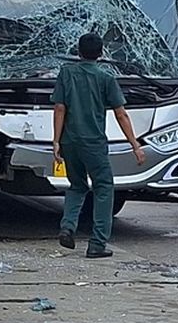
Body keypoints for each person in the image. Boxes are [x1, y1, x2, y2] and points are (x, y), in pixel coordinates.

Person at [53, 33, 146, 259]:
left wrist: (56, 141)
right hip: (93, 142)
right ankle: (97, 243)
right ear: (102, 53)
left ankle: (67, 226)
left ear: (78, 51)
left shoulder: (66, 73)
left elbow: (59, 108)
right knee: (103, 187)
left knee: (76, 186)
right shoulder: (106, 78)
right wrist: (135, 145)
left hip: (69, 141)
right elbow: (121, 114)